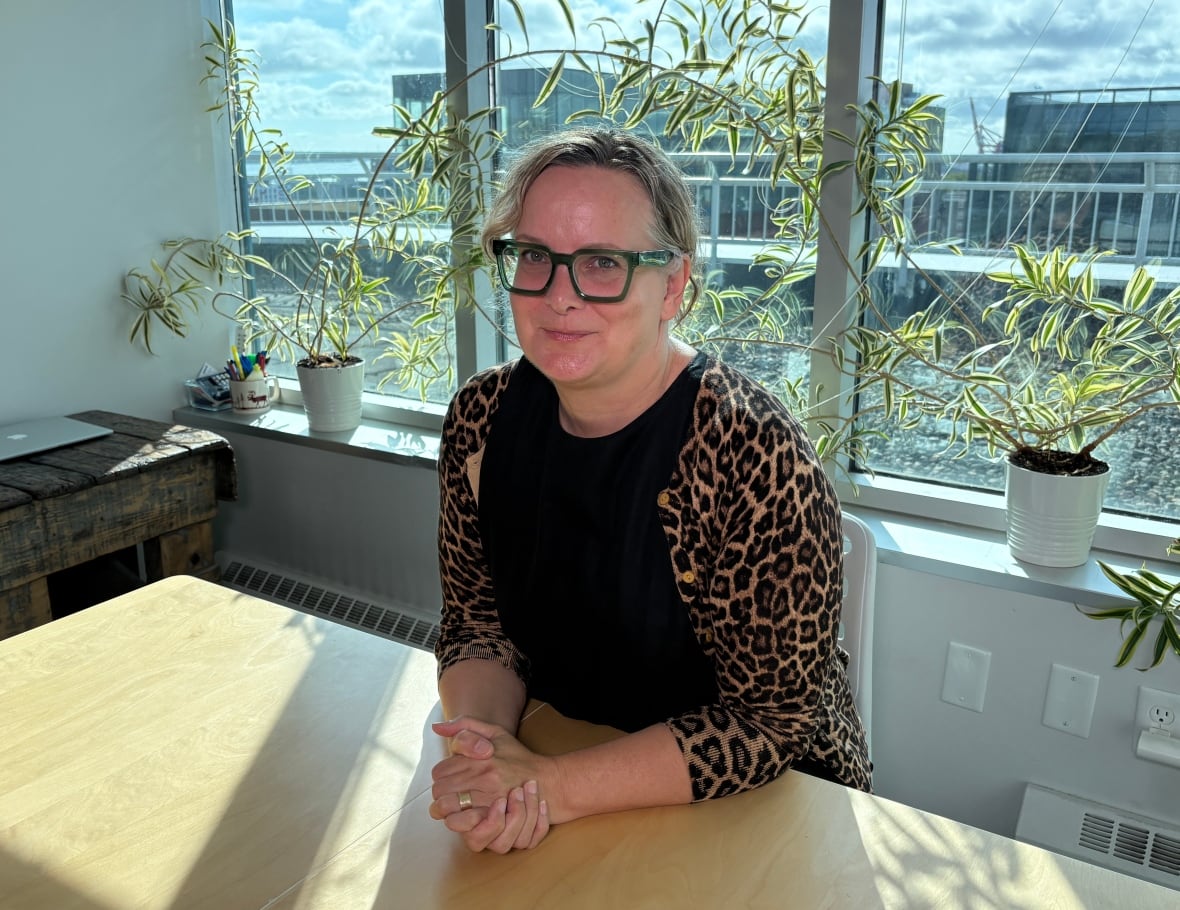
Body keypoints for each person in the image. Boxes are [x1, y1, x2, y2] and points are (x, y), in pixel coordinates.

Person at [429, 127, 871, 854]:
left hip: (765, 810)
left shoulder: (752, 450)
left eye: (602, 263)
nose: (558, 297)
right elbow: (479, 626)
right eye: (536, 256)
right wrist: (482, 751)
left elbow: (770, 723)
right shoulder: (481, 420)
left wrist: (549, 787)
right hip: (565, 765)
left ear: (672, 286)